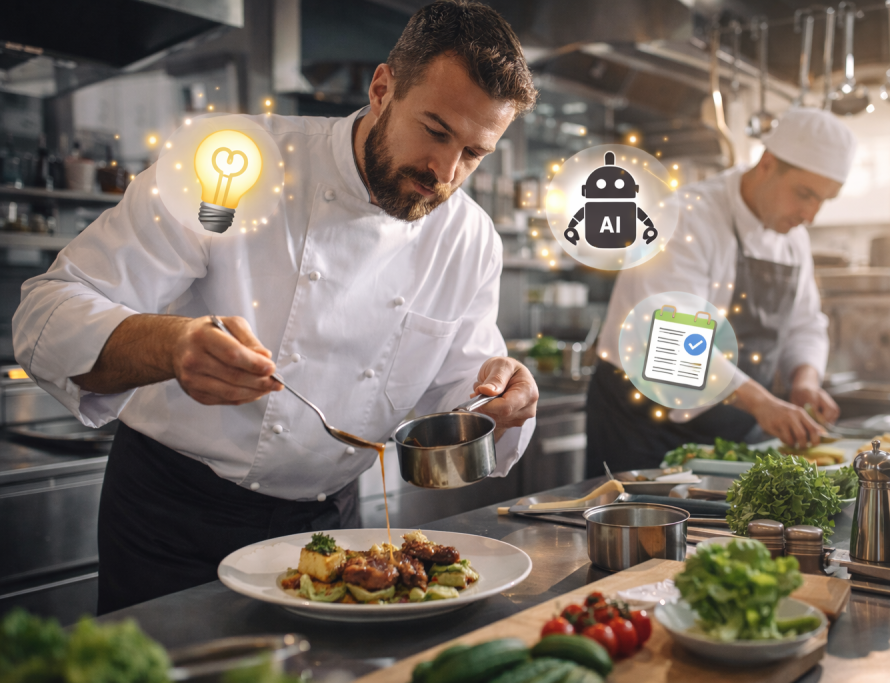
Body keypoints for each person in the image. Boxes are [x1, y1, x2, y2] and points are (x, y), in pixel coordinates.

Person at [13, 0, 539, 614]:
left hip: (333, 528)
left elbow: (458, 397)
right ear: (381, 89)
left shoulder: (470, 240)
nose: (444, 173)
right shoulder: (231, 160)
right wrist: (173, 345)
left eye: (474, 154)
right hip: (173, 518)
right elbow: (44, 313)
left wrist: (502, 399)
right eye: (436, 131)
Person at [586, 108, 857, 476]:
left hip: (729, 430)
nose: (810, 215)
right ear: (766, 164)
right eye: (804, 193)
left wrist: (804, 382)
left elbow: (804, 323)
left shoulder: (793, 239)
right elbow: (672, 338)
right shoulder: (685, 216)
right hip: (644, 427)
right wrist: (761, 402)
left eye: (824, 200)